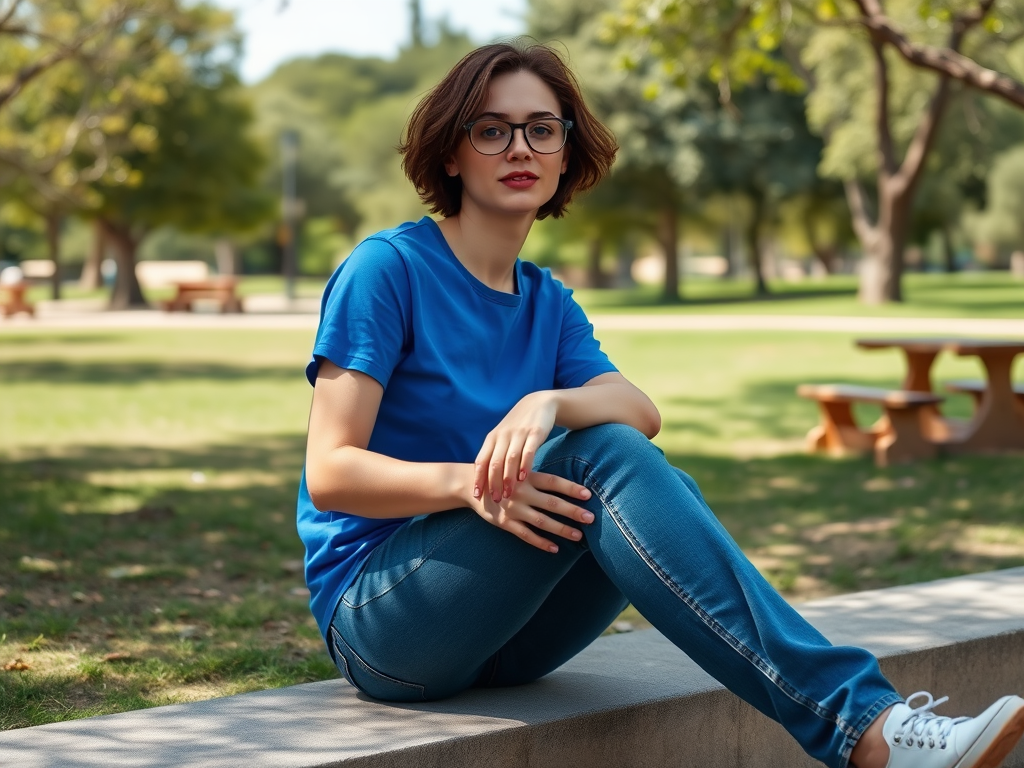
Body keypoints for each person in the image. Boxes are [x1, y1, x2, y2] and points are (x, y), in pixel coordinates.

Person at [297, 41, 1024, 768]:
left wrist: (546, 403)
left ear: (564, 153)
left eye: (542, 129)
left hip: (509, 638)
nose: (519, 147)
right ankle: (865, 728)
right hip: (385, 622)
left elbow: (638, 410)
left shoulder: (547, 300)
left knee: (656, 478)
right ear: (451, 154)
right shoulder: (387, 270)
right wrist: (473, 487)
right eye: (491, 129)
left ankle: (869, 725)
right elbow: (331, 473)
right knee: (605, 459)